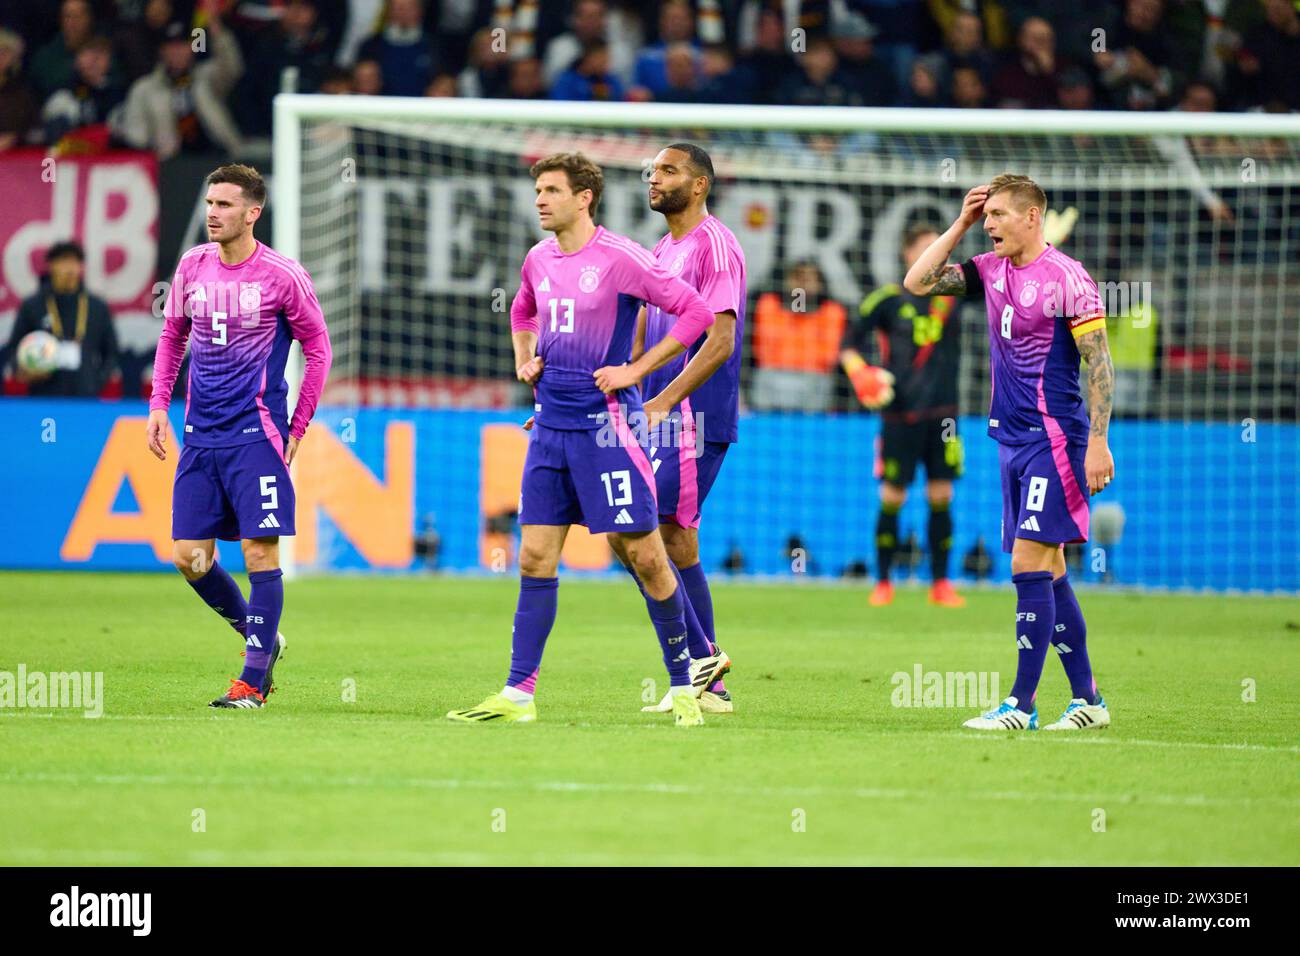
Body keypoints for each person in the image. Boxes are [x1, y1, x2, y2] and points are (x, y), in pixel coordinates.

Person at [446, 152, 725, 727]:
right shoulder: (537, 259)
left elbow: (697, 313)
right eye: (538, 191)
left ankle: (683, 686)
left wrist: (636, 367)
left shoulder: (622, 258)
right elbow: (523, 312)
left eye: (551, 191)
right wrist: (525, 358)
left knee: (648, 557)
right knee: (533, 557)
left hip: (607, 430)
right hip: (550, 428)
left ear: (584, 198)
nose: (540, 200)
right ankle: (519, 694)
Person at [904, 174, 1115, 733]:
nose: (990, 224)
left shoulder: (1069, 279)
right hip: (1010, 438)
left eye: (998, 214)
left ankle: (1020, 705)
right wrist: (961, 225)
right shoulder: (988, 270)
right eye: (987, 215)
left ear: (1032, 217)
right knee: (1051, 567)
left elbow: (1099, 363)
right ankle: (1088, 699)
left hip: (1056, 439)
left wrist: (1098, 441)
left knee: (1026, 562)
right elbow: (918, 282)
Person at [146, 164, 333, 710]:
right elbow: (172, 336)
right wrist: (159, 403)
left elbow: (317, 350)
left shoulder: (282, 275)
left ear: (253, 213)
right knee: (189, 556)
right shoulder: (192, 266)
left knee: (259, 550)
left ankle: (252, 682)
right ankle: (261, 636)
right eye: (209, 203)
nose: (212, 213)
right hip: (201, 436)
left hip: (257, 434)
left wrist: (297, 426)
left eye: (225, 205)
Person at [618, 143, 746, 715]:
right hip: (659, 414)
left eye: (667, 170)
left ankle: (699, 661)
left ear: (699, 185)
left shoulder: (716, 246)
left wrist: (664, 402)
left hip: (691, 415)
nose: (654, 178)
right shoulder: (662, 249)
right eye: (652, 170)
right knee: (668, 539)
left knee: (646, 535)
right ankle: (707, 677)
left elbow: (720, 340)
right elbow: (639, 342)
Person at [841, 224, 965, 609]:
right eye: (928, 249)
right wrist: (860, 372)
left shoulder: (955, 294)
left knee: (941, 495)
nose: (936, 256)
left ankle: (941, 583)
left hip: (944, 416)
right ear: (908, 256)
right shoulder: (888, 299)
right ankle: (883, 582)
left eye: (940, 249)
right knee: (893, 497)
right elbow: (847, 345)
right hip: (898, 417)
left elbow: (1005, 280)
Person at [4, 240, 119, 397]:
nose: (70, 268)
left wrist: (96, 382)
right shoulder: (33, 305)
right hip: (43, 393)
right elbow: (14, 348)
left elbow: (111, 352)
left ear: (81, 267)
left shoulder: (97, 307)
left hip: (85, 395)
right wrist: (22, 370)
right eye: (63, 261)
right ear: (51, 266)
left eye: (75, 262)